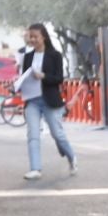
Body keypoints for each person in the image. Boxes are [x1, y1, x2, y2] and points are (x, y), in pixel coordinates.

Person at [16, 22, 76, 180]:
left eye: (35, 36)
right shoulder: (27, 57)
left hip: (50, 100)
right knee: (33, 135)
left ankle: (72, 157)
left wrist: (44, 76)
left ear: (44, 37)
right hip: (32, 101)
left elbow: (59, 79)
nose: (33, 39)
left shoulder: (54, 55)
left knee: (58, 134)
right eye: (31, 37)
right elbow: (24, 78)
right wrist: (17, 85)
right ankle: (35, 168)